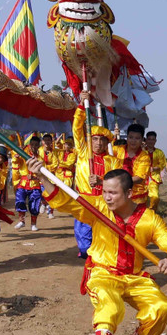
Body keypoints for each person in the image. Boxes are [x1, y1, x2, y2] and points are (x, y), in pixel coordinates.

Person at [27, 159, 167, 335]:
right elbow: (65, 201)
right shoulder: (96, 207)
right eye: (104, 192)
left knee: (161, 307)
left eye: (113, 193)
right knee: (110, 307)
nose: (107, 197)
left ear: (129, 192)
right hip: (102, 273)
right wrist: (42, 176)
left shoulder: (149, 218)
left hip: (134, 277)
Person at [71, 96, 122, 258]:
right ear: (89, 140)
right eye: (95, 139)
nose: (98, 143)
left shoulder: (113, 161)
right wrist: (81, 105)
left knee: (106, 237)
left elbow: (119, 181)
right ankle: (89, 257)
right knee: (85, 242)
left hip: (105, 203)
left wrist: (102, 181)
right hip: (85, 201)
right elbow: (77, 129)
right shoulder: (84, 152)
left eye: (102, 140)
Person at [113, 124, 152, 206]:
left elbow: (139, 178)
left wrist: (118, 182)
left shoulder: (145, 157)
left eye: (137, 138)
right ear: (127, 137)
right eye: (131, 137)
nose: (133, 141)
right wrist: (114, 136)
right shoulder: (117, 150)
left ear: (142, 139)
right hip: (117, 194)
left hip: (137, 197)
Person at [12, 135, 43, 231]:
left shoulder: (41, 159)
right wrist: (17, 155)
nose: (34, 146)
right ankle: (21, 221)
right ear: (29, 145)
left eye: (36, 145)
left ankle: (33, 224)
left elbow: (43, 173)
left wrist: (34, 177)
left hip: (35, 185)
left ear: (39, 146)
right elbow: (15, 161)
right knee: (20, 201)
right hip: (23, 183)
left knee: (34, 204)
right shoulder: (23, 154)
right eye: (32, 144)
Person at [145, 131, 167, 211]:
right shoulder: (141, 151)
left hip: (154, 177)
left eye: (153, 139)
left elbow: (162, 164)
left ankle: (152, 212)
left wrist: (154, 168)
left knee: (155, 197)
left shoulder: (159, 152)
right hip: (141, 177)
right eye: (149, 139)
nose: (151, 141)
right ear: (146, 140)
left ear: (155, 141)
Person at [39, 133, 59, 219]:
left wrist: (47, 168)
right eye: (45, 140)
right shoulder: (39, 150)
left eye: (49, 140)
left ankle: (50, 212)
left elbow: (56, 163)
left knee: (52, 194)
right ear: (42, 141)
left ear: (51, 141)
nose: (47, 142)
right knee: (43, 193)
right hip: (42, 176)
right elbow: (39, 162)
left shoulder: (54, 152)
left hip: (52, 177)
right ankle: (43, 203)